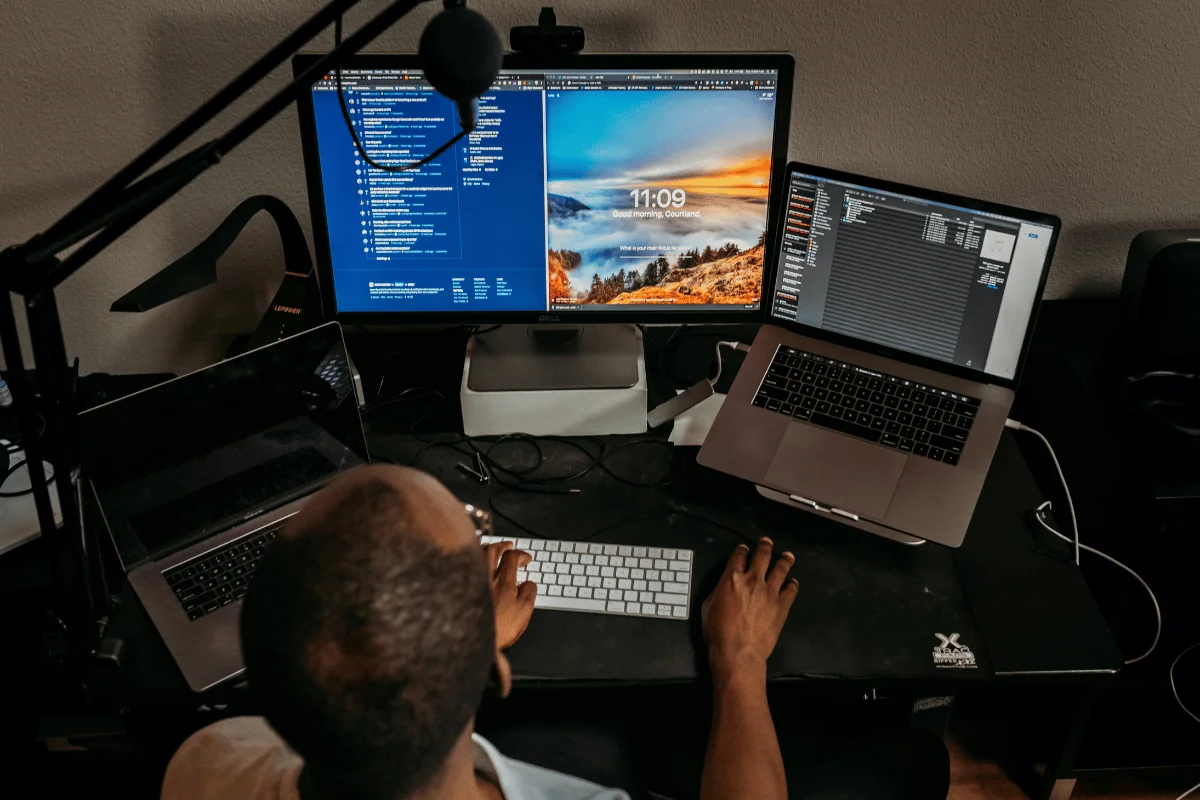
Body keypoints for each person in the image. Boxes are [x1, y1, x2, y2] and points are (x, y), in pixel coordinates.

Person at [161, 465, 946, 800]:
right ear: (494, 677)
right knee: (894, 761)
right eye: (469, 537)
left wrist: (459, 642)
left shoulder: (205, 762)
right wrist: (739, 661)